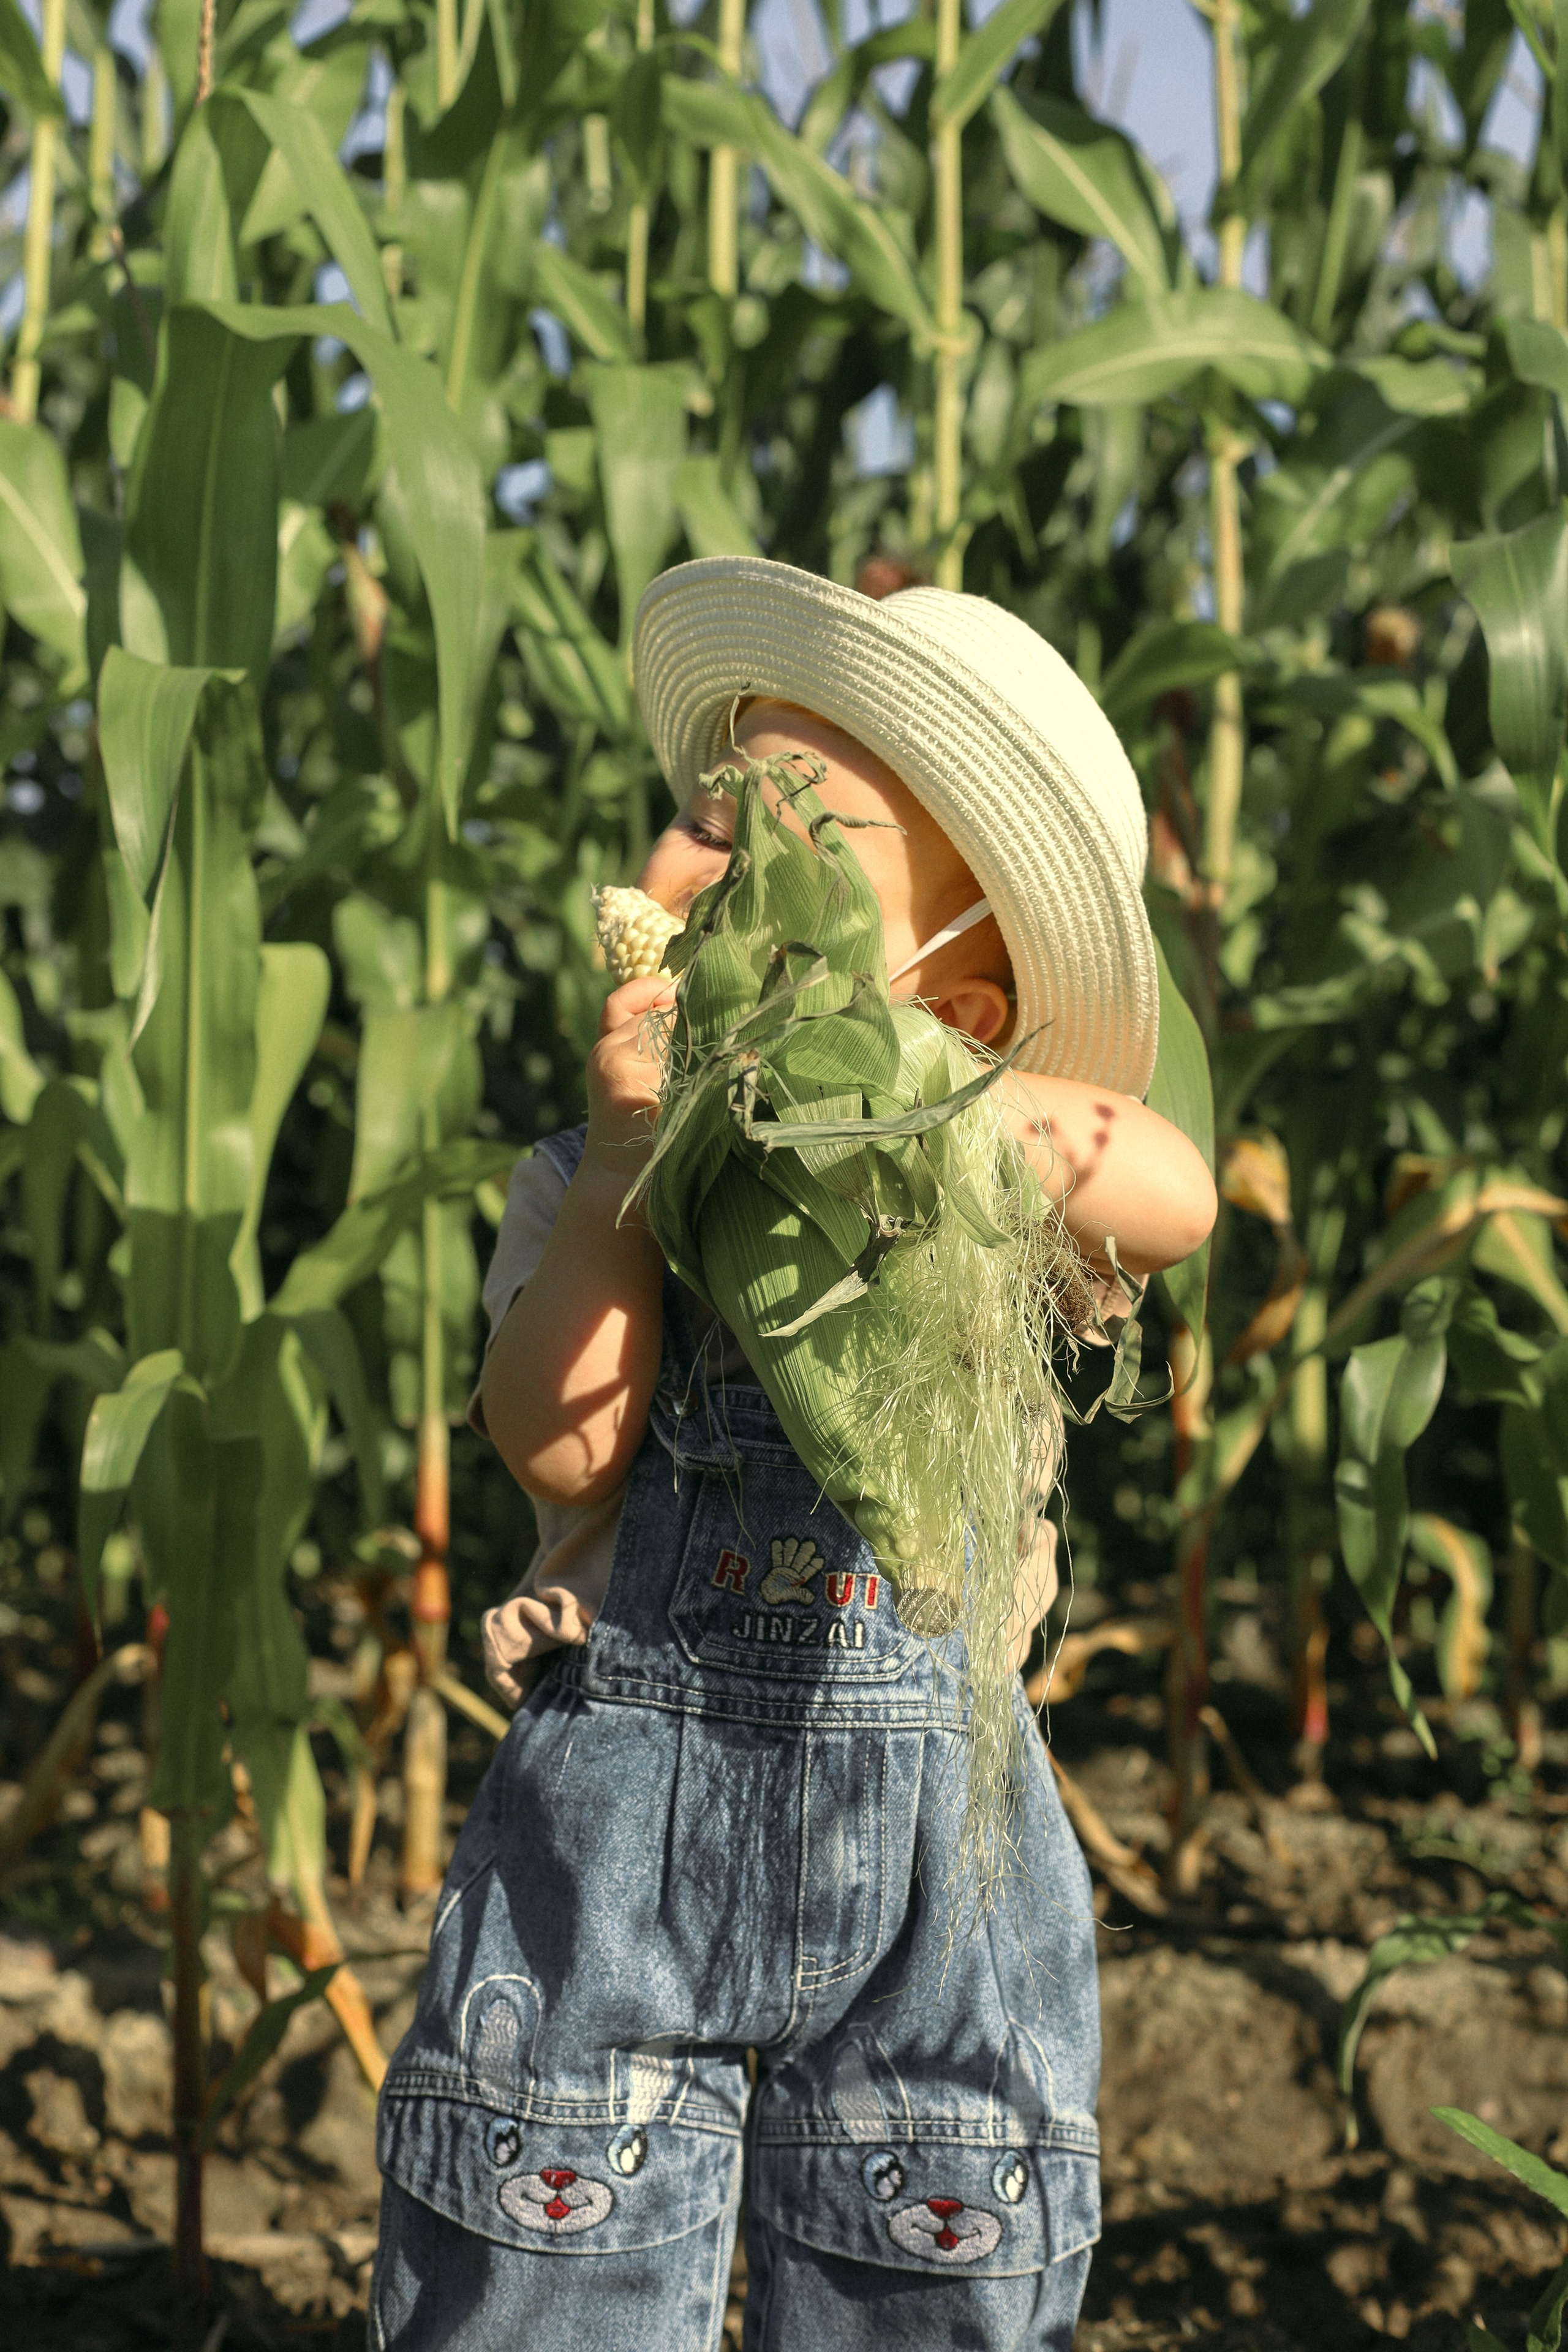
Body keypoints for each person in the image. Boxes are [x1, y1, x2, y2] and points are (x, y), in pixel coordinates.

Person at [369, 559, 1217, 2352]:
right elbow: (570, 1441)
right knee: (544, 2272)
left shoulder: (986, 1180)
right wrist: (619, 1168)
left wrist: (890, 1073)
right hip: (613, 1870)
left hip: (944, 1888)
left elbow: (1172, 1190)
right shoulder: (606, 1176)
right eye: (704, 819)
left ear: (964, 967)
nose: (707, 867)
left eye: (786, 830)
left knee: (932, 2278)